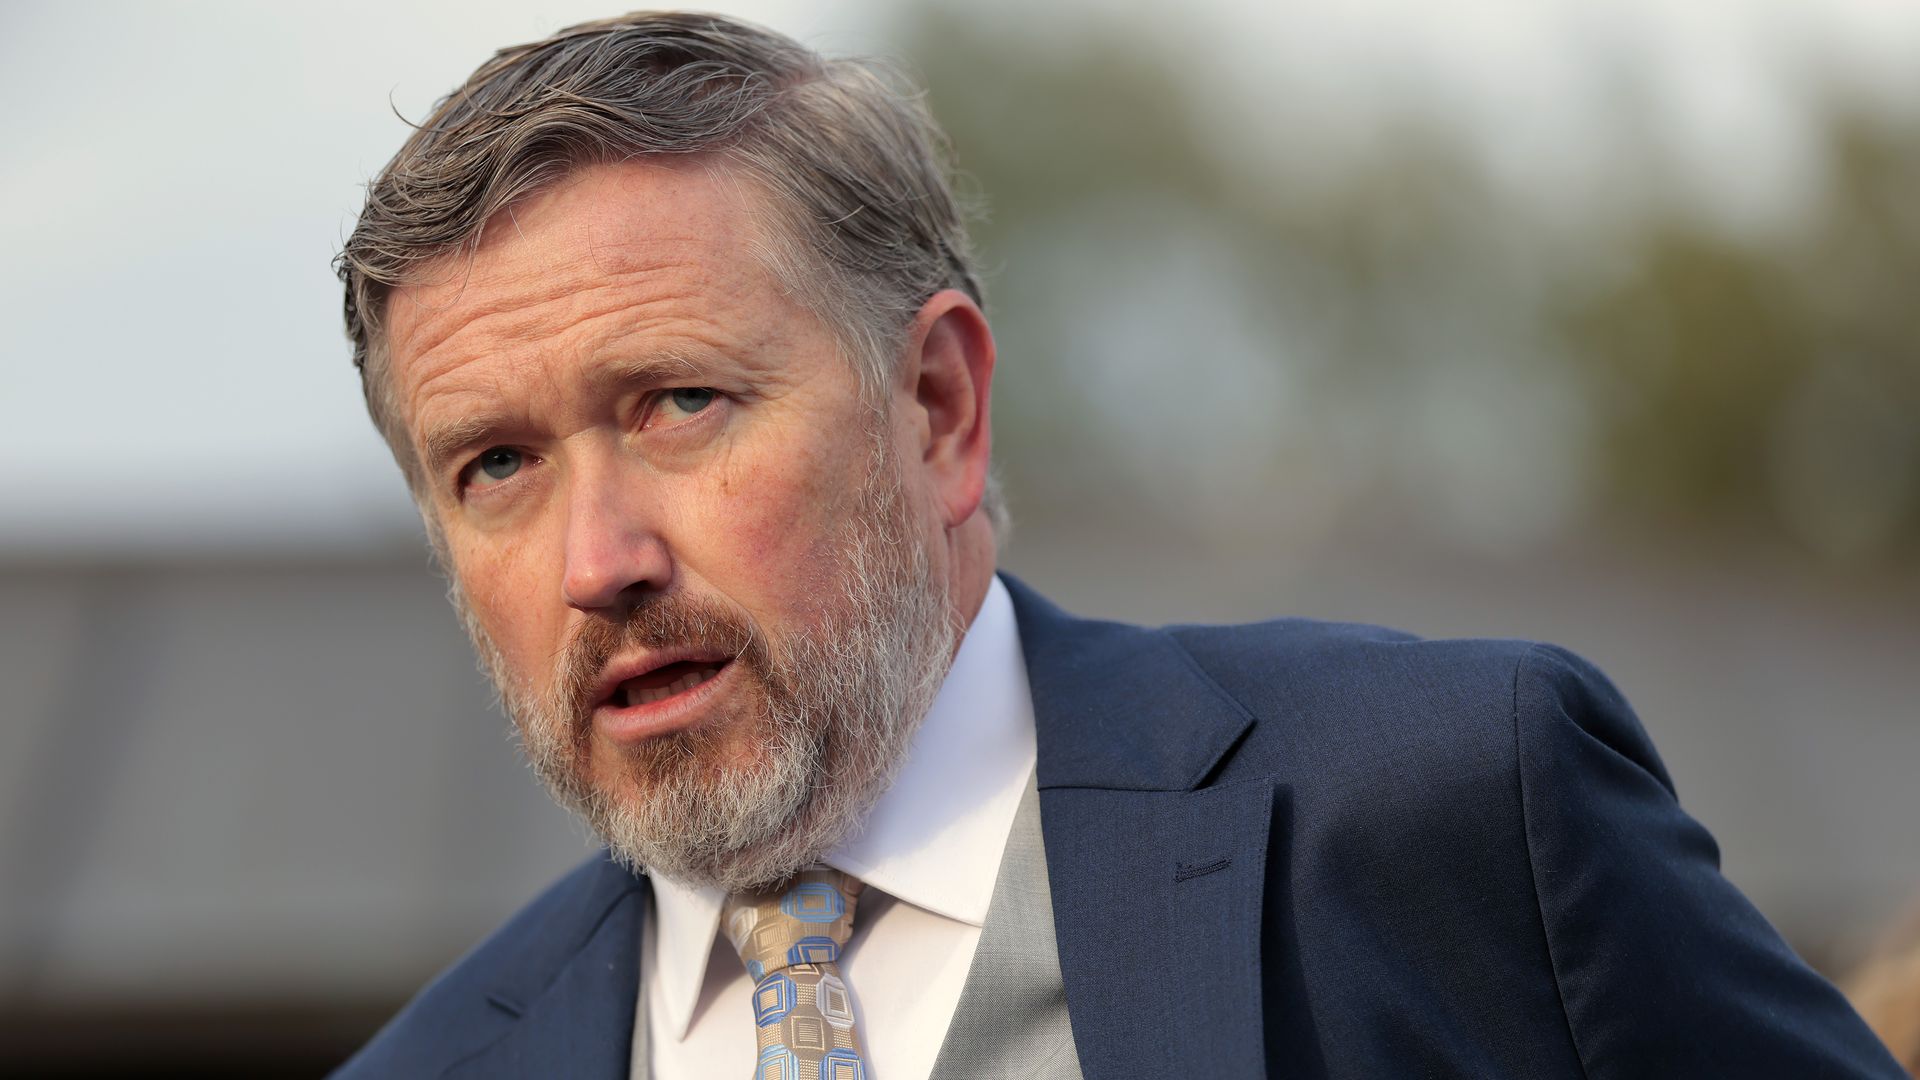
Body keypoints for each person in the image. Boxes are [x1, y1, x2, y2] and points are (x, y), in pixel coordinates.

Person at [329, 11, 1902, 1079]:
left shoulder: (1445, 810)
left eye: (678, 403)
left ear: (938, 405)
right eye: (497, 466)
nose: (597, 556)